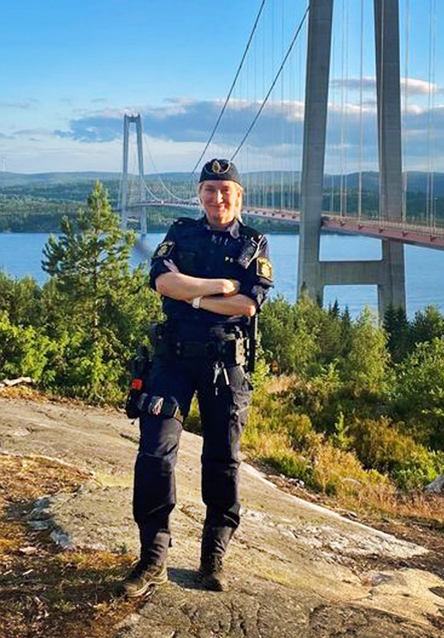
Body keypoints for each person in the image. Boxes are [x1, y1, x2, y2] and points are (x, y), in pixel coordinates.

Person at [119, 158, 273, 596]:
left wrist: (194, 295)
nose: (216, 197)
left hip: (226, 365)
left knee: (222, 462)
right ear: (200, 195)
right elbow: (163, 285)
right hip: (171, 362)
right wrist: (218, 288)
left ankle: (213, 560)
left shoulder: (253, 243)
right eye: (209, 189)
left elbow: (247, 305)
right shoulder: (180, 232)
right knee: (154, 455)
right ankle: (152, 561)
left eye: (225, 190)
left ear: (238, 197)